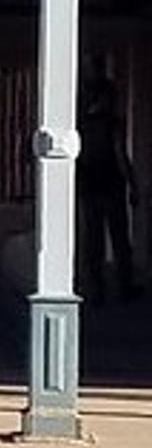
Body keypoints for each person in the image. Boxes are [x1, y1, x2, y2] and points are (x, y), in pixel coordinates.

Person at [78, 67, 140, 303]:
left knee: (92, 240)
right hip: (111, 184)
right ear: (106, 98)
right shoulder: (113, 124)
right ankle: (124, 287)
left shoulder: (82, 125)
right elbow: (120, 155)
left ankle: (95, 290)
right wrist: (132, 185)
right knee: (119, 237)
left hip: (88, 185)